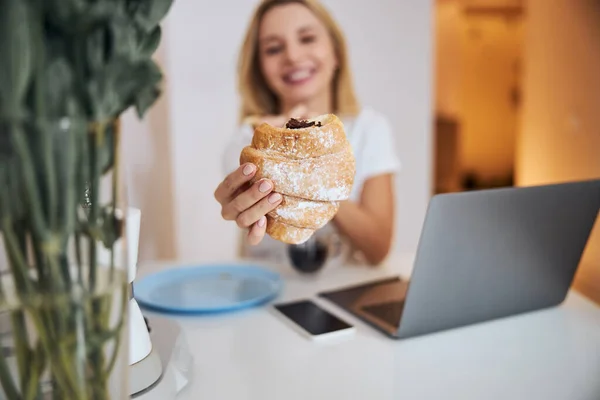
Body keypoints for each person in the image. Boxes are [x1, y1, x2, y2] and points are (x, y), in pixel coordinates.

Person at [214, 0, 401, 266]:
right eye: (274, 48)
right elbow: (236, 194)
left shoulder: (369, 129)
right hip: (267, 292)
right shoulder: (249, 140)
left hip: (339, 292)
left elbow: (378, 249)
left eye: (307, 38)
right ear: (260, 69)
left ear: (336, 52)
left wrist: (312, 176)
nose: (292, 56)